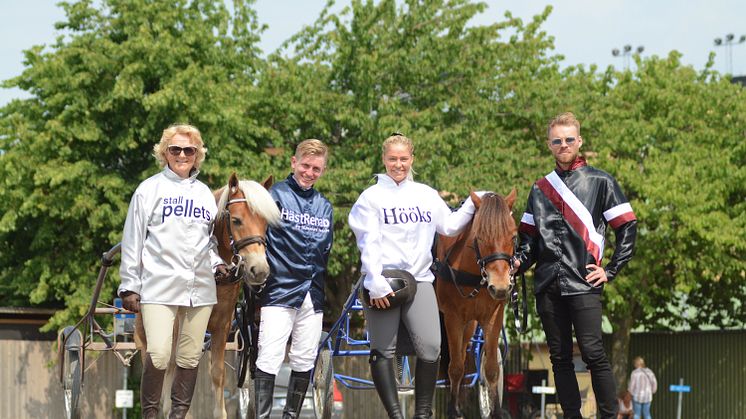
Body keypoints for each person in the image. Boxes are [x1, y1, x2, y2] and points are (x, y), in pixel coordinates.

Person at [513, 112, 638, 419]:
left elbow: (628, 227)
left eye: (569, 139)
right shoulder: (539, 188)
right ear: (549, 144)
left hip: (584, 283)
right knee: (559, 358)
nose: (563, 145)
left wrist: (610, 270)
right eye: (557, 140)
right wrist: (517, 261)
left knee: (594, 354)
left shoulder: (601, 181)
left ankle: (609, 415)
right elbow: (528, 242)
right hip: (547, 285)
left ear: (579, 141)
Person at [348, 133, 477, 419]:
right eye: (392, 159)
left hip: (419, 281)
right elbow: (366, 242)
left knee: (432, 347)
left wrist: (474, 200)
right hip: (384, 282)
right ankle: (396, 415)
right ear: (384, 159)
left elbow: (451, 225)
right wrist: (375, 282)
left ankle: (422, 414)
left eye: (403, 159)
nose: (398, 164)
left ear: (412, 159)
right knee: (382, 349)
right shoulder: (371, 197)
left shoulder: (426, 194)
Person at [118, 124, 225, 419]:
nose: (182, 155)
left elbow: (211, 241)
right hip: (159, 286)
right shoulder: (148, 190)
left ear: (197, 155)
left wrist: (218, 263)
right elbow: (133, 238)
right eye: (175, 149)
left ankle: (177, 415)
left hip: (200, 288)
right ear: (165, 152)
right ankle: (151, 415)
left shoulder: (205, 194)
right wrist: (129, 285)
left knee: (190, 357)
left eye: (188, 150)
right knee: (160, 354)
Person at [253, 139, 334, 419]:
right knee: (269, 357)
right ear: (293, 162)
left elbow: (326, 249)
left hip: (313, 294)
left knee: (304, 359)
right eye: (305, 166)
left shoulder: (325, 206)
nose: (309, 172)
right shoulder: (273, 196)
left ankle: (291, 416)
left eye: (316, 168)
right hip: (279, 290)